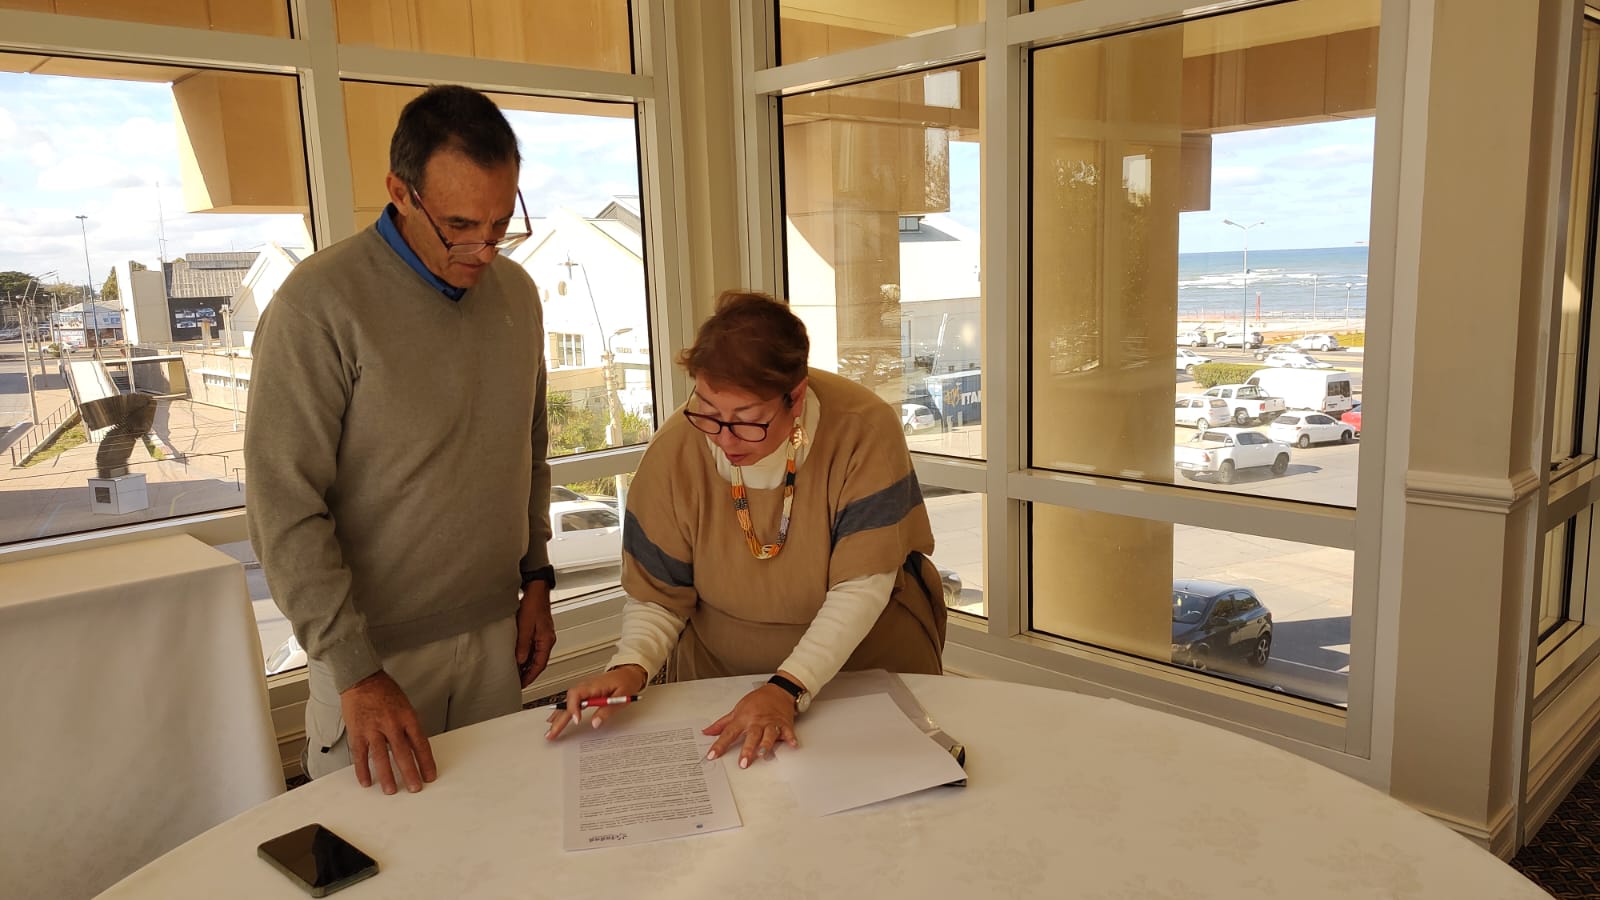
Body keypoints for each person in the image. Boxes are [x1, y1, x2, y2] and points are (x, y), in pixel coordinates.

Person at [246, 84, 556, 795]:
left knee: (496, 832)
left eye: (501, 223)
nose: (482, 249)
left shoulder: (520, 294)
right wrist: (355, 668)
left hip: (492, 634)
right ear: (399, 191)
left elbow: (527, 448)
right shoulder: (317, 305)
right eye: (458, 225)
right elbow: (282, 506)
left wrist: (536, 578)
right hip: (372, 654)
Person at [546, 291, 946, 768]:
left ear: (794, 397)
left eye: (746, 421)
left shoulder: (863, 430)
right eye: (709, 411)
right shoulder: (677, 449)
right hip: (719, 677)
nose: (723, 437)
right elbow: (659, 593)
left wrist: (787, 686)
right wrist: (631, 664)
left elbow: (862, 585)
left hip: (861, 667)